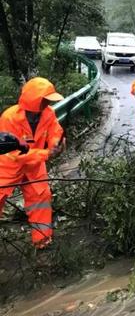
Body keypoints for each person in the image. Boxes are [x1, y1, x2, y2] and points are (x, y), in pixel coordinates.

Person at [0, 77, 64, 248]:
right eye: (45, 100)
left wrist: (56, 144)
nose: (47, 104)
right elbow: (14, 153)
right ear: (34, 100)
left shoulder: (48, 113)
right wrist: (46, 153)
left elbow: (55, 130)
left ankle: (42, 239)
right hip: (7, 167)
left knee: (41, 199)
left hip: (34, 167)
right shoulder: (9, 117)